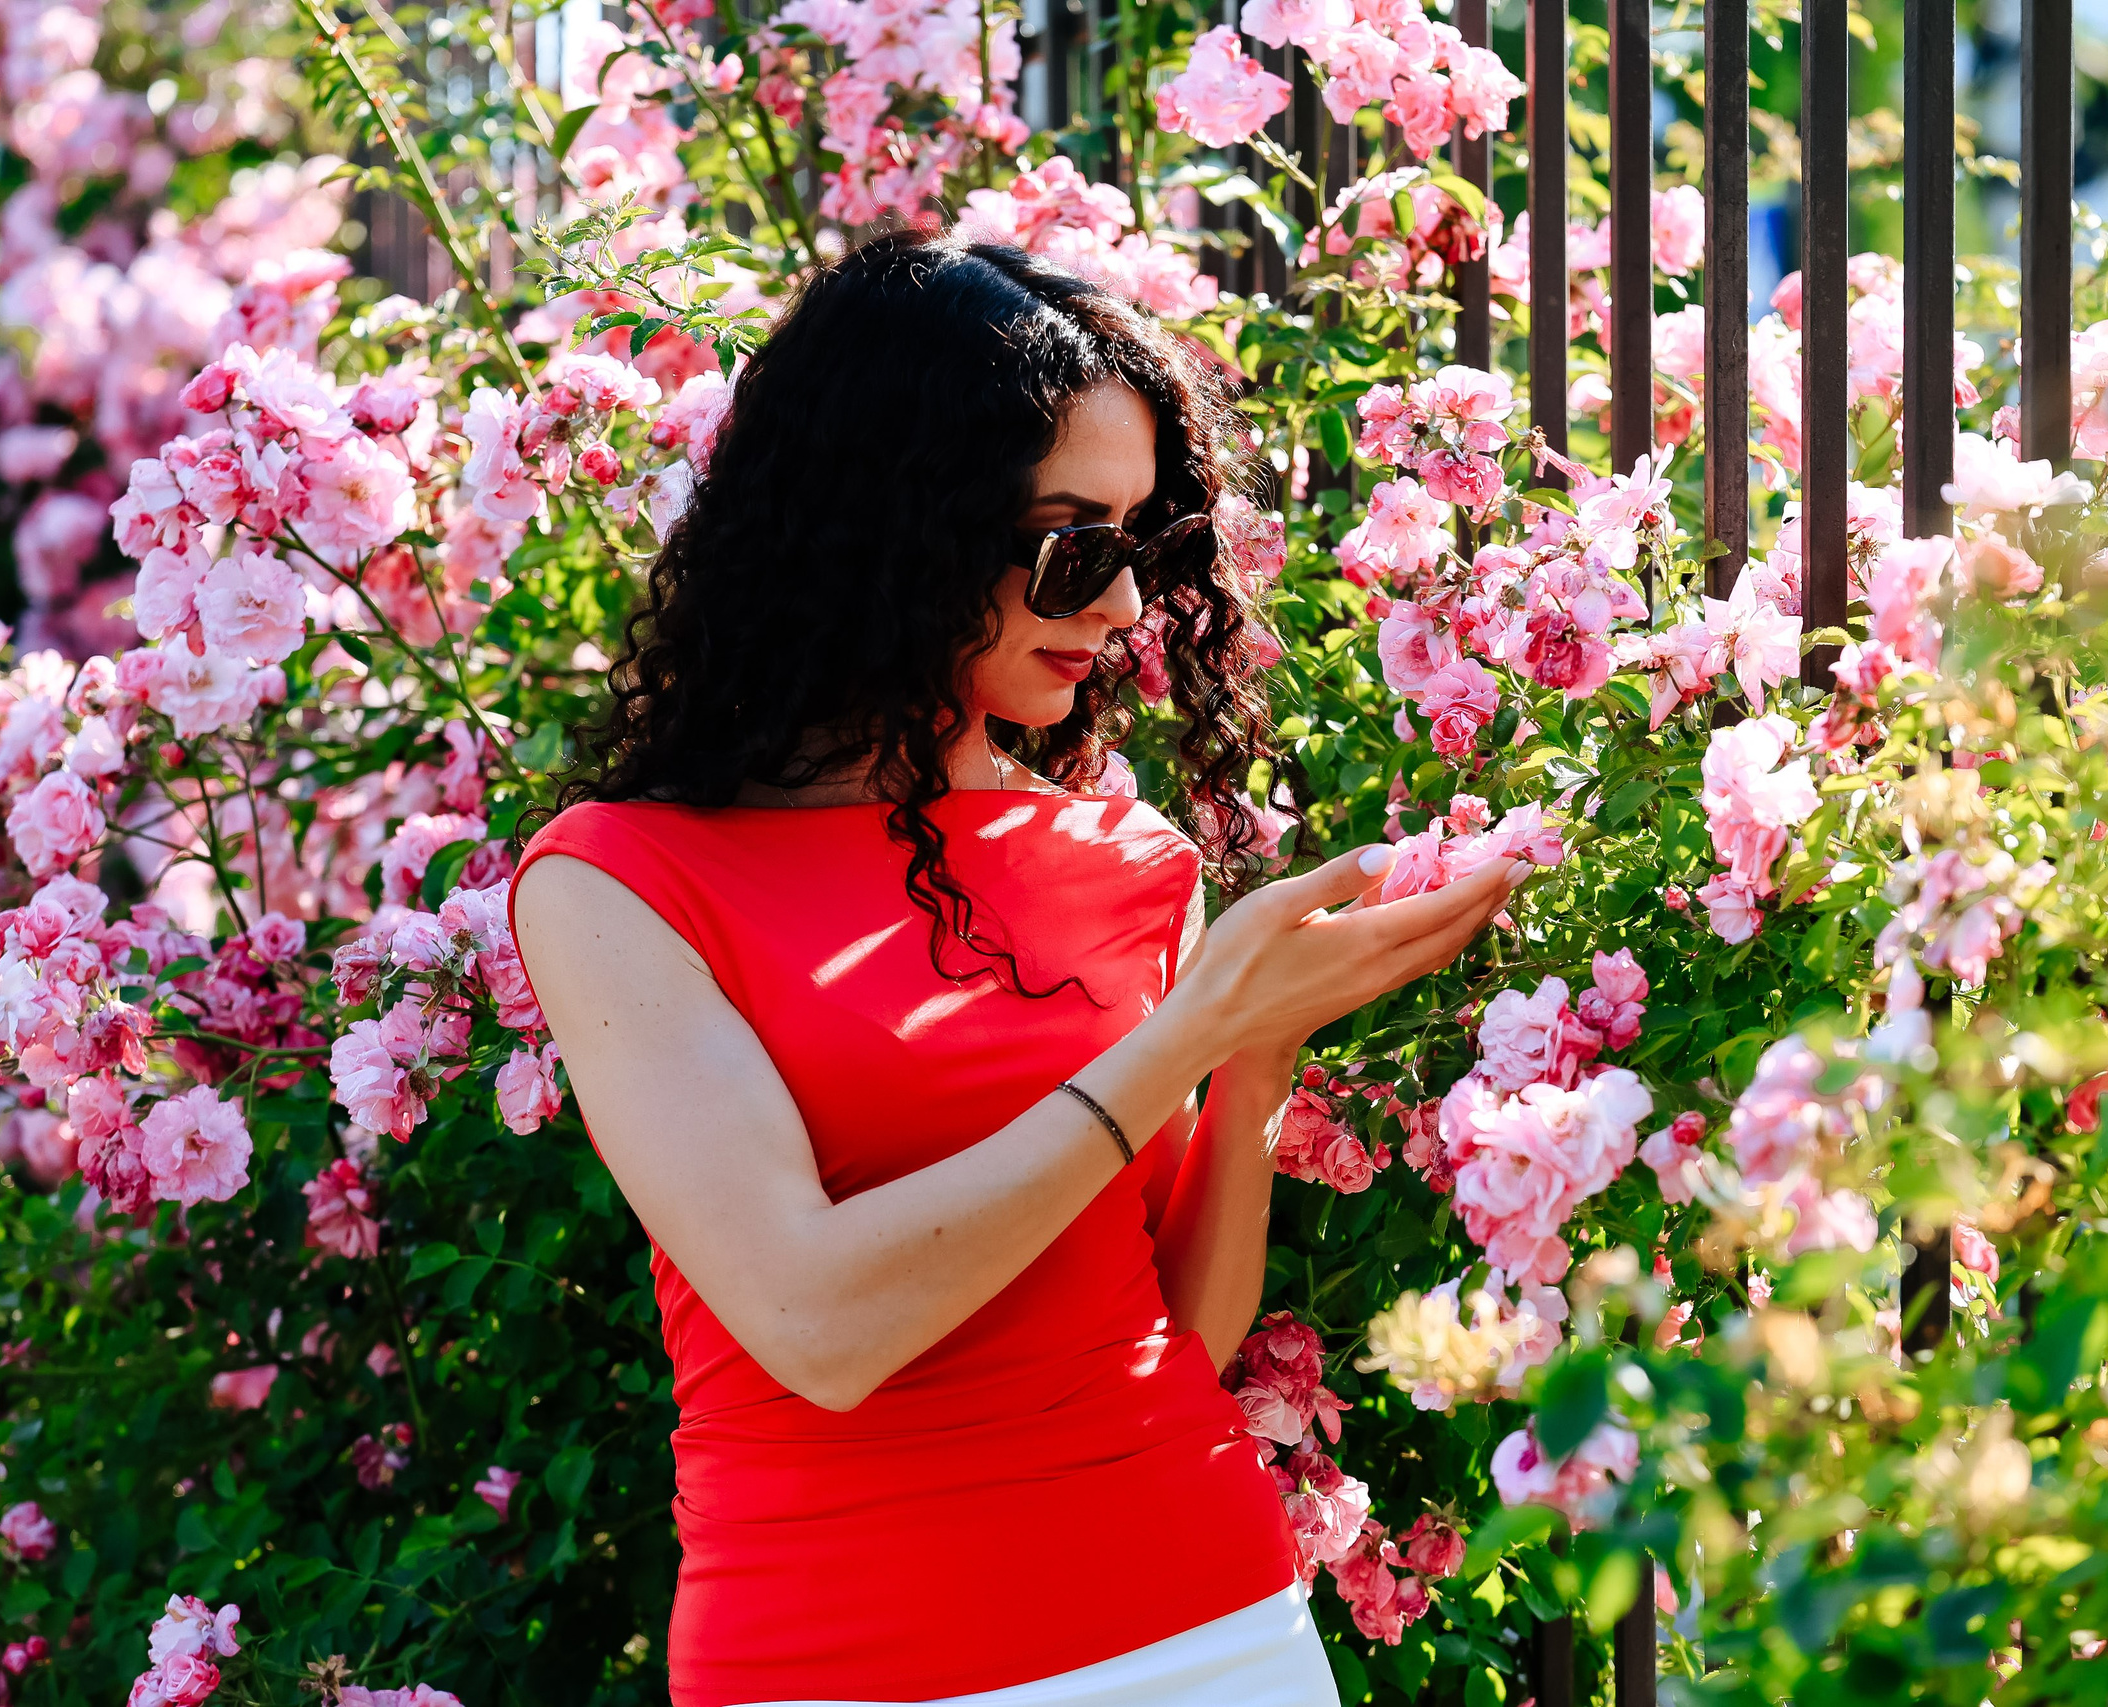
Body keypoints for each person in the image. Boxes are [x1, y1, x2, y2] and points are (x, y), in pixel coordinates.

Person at [509, 232, 1523, 1707]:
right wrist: (1184, 1040)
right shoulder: (616, 883)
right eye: (1074, 549)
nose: (1121, 611)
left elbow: (1183, 1331)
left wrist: (1252, 1062)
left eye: (1143, 551)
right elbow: (819, 1324)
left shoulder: (1127, 859)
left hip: (1210, 1630)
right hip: (843, 1663)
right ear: (895, 524)